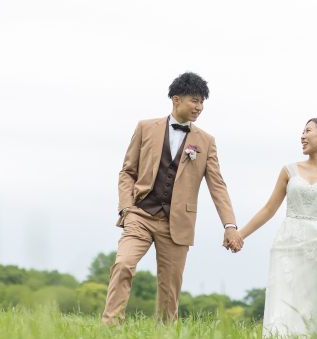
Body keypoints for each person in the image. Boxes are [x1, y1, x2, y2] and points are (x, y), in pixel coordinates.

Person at [101, 72, 243, 325]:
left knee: (170, 288)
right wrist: (126, 208)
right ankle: (110, 325)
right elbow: (127, 172)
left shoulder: (206, 142)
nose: (199, 108)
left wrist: (230, 226)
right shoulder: (145, 127)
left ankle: (165, 338)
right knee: (123, 264)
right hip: (140, 215)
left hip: (177, 223)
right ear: (176, 100)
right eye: (194, 101)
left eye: (202, 103)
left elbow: (217, 186)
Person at [239, 118, 317, 339]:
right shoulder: (289, 170)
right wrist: (240, 235)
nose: (302, 136)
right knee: (285, 297)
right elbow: (268, 209)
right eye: (302, 132)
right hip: (288, 243)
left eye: (307, 131)